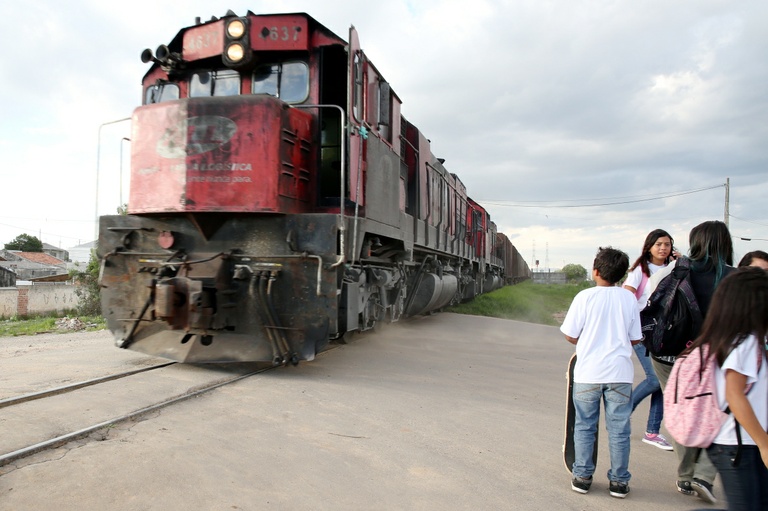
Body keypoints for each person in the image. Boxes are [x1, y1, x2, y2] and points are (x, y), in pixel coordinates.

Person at [648, 220, 735, 505]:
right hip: (714, 358)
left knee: (678, 412)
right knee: (723, 413)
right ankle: (703, 475)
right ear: (726, 244)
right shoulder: (734, 278)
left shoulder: (670, 272)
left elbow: (651, 309)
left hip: (668, 356)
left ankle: (686, 476)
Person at [561, 247, 642, 499]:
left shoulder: (584, 297)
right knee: (619, 429)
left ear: (595, 271)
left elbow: (570, 334)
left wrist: (590, 340)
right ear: (621, 274)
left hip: (588, 373)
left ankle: (582, 476)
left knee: (585, 426)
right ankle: (619, 482)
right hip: (619, 374)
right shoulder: (629, 299)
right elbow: (636, 339)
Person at [691, 267, 768, 510]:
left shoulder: (745, 339)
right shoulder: (743, 342)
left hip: (746, 441)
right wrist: (765, 444)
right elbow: (735, 396)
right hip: (736, 444)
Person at [622, 229, 676, 451]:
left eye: (667, 244)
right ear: (649, 247)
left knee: (663, 383)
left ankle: (652, 432)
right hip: (643, 330)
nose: (663, 248)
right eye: (659, 244)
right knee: (655, 379)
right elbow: (626, 298)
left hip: (667, 332)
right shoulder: (640, 271)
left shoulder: (675, 269)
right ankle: (622, 415)